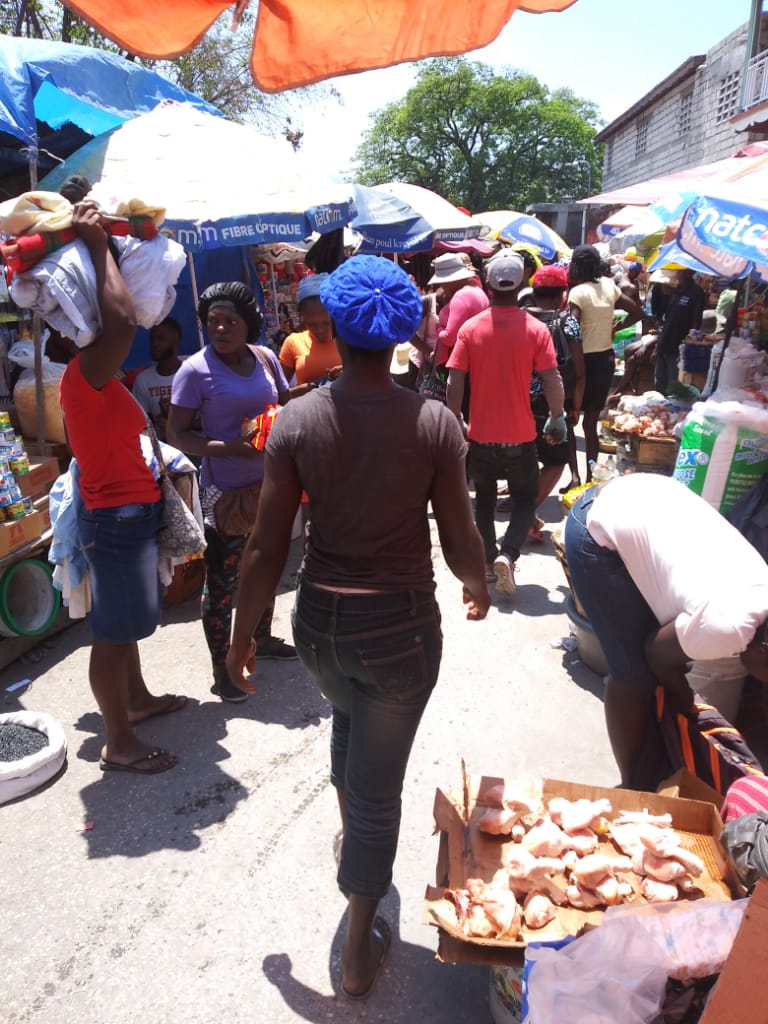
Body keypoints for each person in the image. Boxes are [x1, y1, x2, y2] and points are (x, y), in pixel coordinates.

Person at [225, 255, 489, 1000]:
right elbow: (460, 539)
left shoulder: (298, 419)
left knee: (350, 720)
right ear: (404, 333)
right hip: (399, 630)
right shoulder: (433, 422)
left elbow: (265, 550)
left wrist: (241, 636)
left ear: (334, 327)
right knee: (378, 789)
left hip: (321, 631)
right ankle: (357, 954)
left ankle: (354, 846)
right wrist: (479, 587)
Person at [59, 201, 185, 775]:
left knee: (128, 624)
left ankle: (135, 702)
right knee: (111, 634)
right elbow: (126, 322)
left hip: (125, 516)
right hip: (113, 521)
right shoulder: (84, 377)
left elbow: (119, 323)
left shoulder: (98, 378)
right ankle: (119, 742)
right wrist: (95, 245)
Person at [564, 474, 768, 787]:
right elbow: (655, 652)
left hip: (647, 495)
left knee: (663, 669)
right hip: (598, 525)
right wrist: (683, 696)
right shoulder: (730, 627)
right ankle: (634, 786)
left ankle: (650, 765)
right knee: (633, 674)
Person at [167, 282, 297, 704]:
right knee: (222, 582)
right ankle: (223, 667)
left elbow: (282, 403)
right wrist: (229, 448)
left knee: (269, 562)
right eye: (212, 322)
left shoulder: (264, 358)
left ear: (249, 324)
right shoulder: (195, 371)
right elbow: (177, 433)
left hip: (270, 483)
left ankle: (262, 637)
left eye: (230, 321)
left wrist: (314, 391)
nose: (220, 329)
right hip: (223, 492)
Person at [446, 250, 566, 596]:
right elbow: (552, 379)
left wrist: (455, 419)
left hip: (480, 436)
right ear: (522, 283)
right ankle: (509, 555)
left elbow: (455, 381)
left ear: (487, 283)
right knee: (525, 499)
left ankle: (486, 561)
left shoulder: (470, 328)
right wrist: (556, 417)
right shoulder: (535, 329)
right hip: (521, 437)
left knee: (483, 499)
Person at [566, 244, 643, 489]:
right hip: (604, 361)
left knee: (571, 421)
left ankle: (575, 477)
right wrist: (614, 328)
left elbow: (573, 326)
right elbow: (637, 312)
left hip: (581, 363)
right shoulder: (610, 286)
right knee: (591, 424)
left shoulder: (577, 293)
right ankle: (590, 478)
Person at [526, 265, 585, 538]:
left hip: (519, 401)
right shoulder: (567, 323)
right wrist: (574, 407)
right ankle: (525, 513)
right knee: (555, 460)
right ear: (563, 293)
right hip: (551, 404)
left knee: (525, 458)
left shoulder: (521, 320)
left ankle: (527, 515)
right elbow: (580, 371)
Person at [278, 274, 342, 396]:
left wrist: (348, 376)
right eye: (312, 324)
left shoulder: (348, 341)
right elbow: (279, 395)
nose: (320, 330)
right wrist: (308, 388)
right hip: (308, 412)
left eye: (326, 323)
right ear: (302, 317)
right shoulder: (293, 342)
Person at [653, 268, 706, 394]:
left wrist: (688, 344)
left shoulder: (696, 293)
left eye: (681, 271)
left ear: (690, 273)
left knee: (673, 385)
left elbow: (696, 321)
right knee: (659, 382)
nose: (678, 274)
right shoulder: (676, 290)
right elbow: (668, 317)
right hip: (664, 342)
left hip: (677, 345)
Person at [132, 316, 184, 440]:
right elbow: (142, 423)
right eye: (152, 339)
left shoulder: (193, 374)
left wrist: (170, 424)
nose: (154, 344)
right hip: (163, 450)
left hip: (196, 448)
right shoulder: (143, 380)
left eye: (161, 339)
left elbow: (206, 421)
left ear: (175, 342)